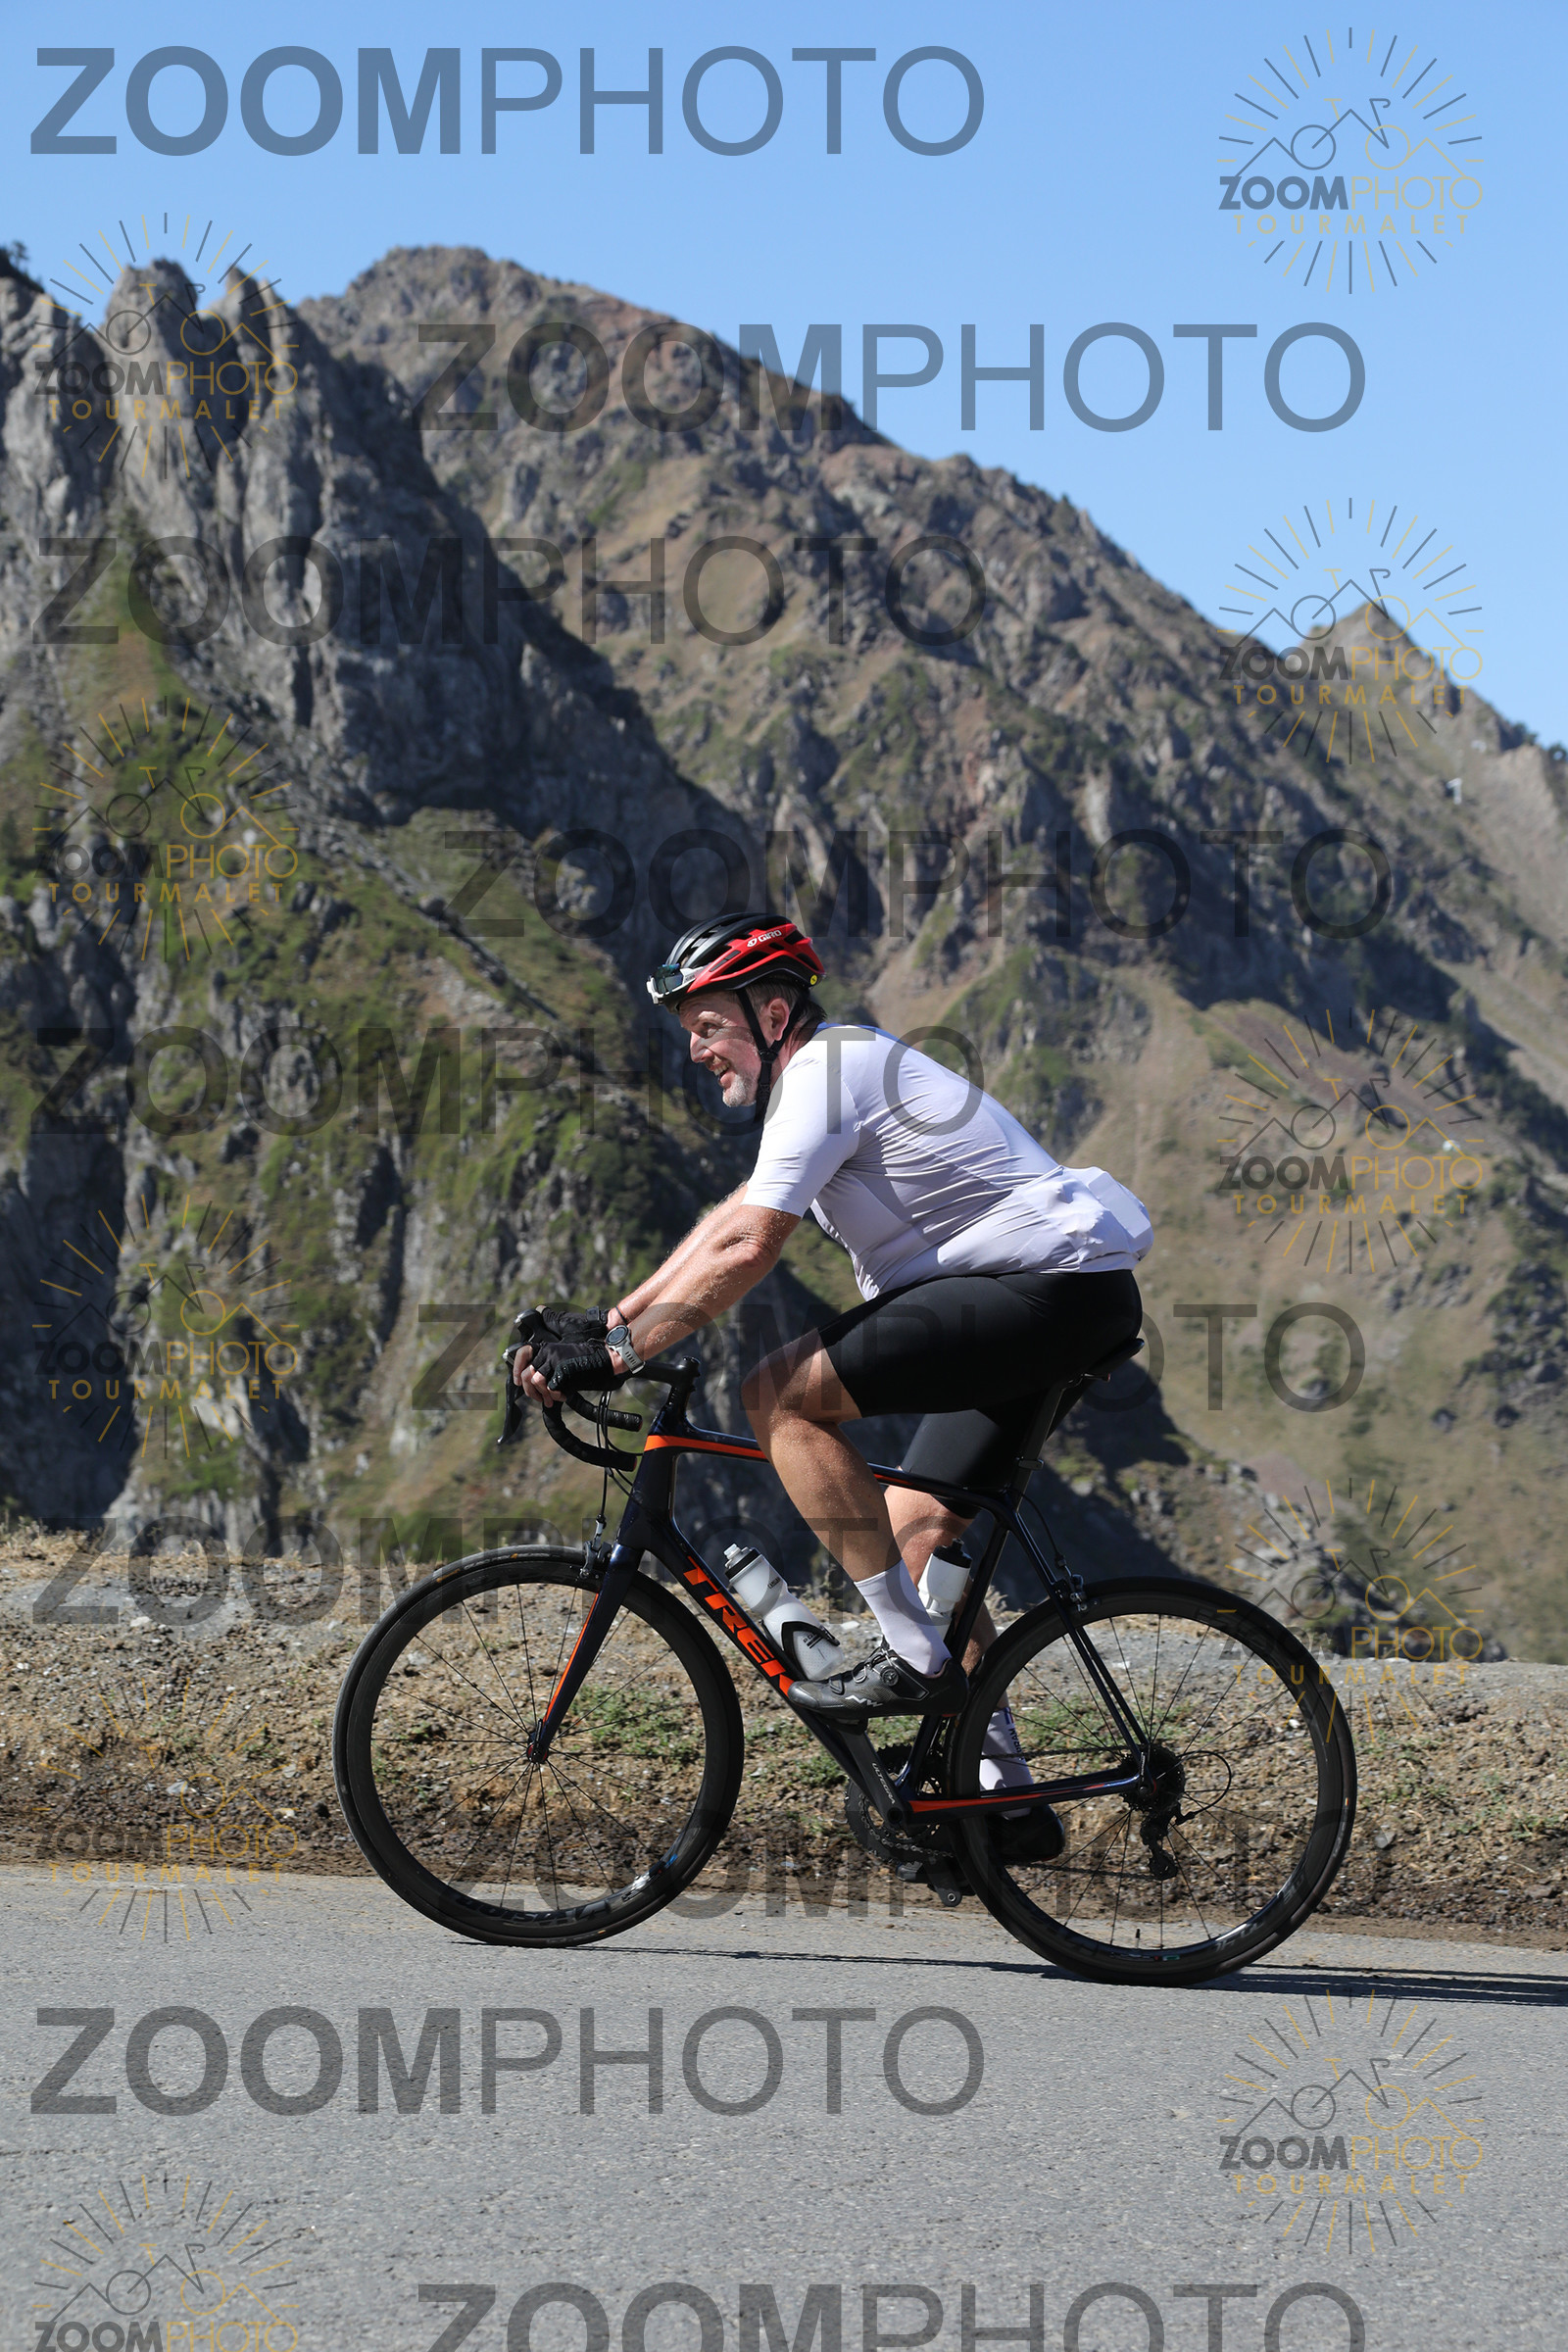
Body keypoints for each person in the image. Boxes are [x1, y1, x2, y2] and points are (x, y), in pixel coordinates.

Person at [513, 913, 1151, 1736]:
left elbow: (748, 1247)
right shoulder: (828, 1072)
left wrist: (618, 1357)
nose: (697, 1051)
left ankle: (916, 1663)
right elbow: (733, 1216)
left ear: (774, 1016)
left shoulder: (824, 1074)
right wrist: (611, 1326)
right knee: (913, 1533)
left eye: (708, 1027)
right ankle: (997, 1784)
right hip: (1063, 1297)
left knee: (778, 1396)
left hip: (1042, 1293)